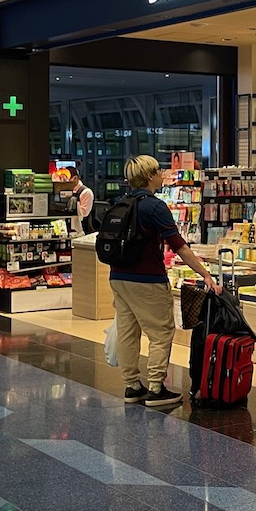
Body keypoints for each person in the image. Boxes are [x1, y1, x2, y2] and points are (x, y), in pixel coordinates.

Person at [110, 155, 220, 407]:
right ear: (150, 176)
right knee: (161, 332)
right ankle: (157, 388)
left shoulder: (122, 202)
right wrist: (204, 273)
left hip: (118, 277)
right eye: (159, 170)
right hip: (147, 279)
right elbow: (178, 246)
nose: (163, 174)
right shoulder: (155, 207)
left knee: (128, 331)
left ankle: (132, 386)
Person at [69, 167, 95, 233]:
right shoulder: (65, 191)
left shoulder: (86, 192)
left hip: (83, 231)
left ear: (75, 178)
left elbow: (83, 214)